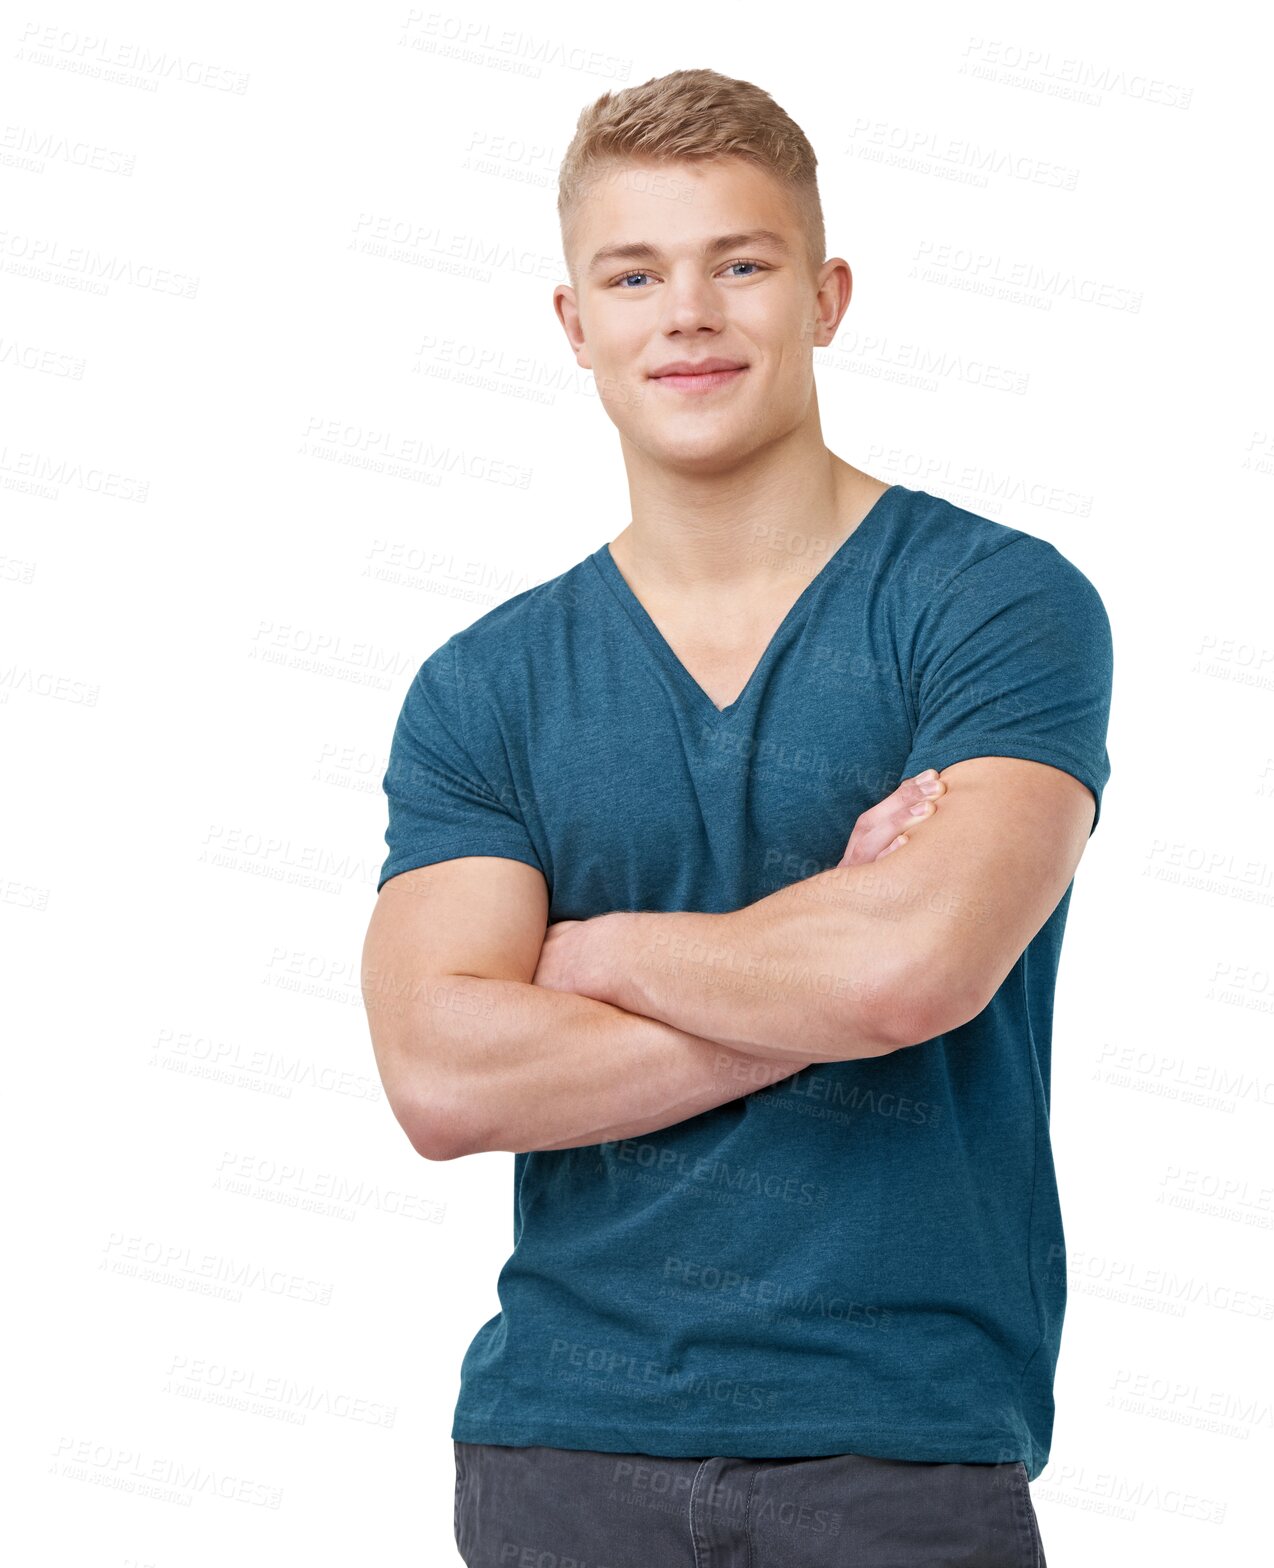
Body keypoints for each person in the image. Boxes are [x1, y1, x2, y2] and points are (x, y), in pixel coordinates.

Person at [361, 66, 1111, 1568]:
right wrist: (821, 963)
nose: (685, 314)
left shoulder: (991, 605)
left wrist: (591, 951)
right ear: (575, 325)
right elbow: (443, 1077)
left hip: (897, 1442)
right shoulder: (489, 683)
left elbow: (913, 974)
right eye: (633, 274)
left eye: (740, 264)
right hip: (557, 1447)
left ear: (825, 296)